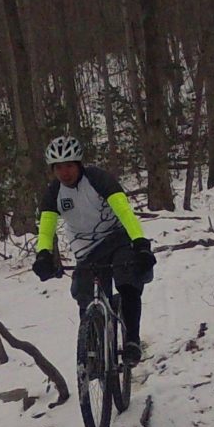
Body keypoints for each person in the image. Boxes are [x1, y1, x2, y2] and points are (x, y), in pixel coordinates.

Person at [31, 135, 155, 363]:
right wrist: (43, 255)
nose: (64, 172)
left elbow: (125, 211)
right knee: (84, 294)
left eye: (69, 165)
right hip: (86, 249)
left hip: (117, 238)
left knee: (128, 281)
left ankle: (132, 341)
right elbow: (46, 229)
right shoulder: (54, 193)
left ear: (78, 164)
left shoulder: (99, 179)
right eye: (59, 167)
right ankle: (92, 348)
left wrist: (140, 242)